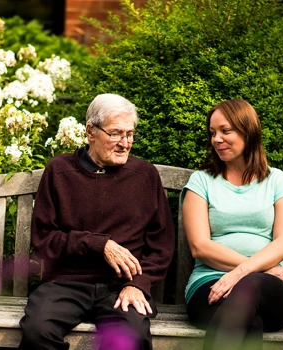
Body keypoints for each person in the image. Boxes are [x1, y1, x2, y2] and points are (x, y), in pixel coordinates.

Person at [18, 93, 175, 350]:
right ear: (91, 132)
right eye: (115, 134)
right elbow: (44, 240)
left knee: (130, 339)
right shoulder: (59, 171)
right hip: (65, 284)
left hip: (121, 287)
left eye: (130, 134)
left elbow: (161, 246)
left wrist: (138, 284)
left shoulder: (144, 175)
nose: (125, 143)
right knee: (38, 332)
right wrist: (97, 244)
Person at [182, 99, 283, 350]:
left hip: (269, 290)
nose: (216, 139)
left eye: (225, 131)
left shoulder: (277, 181)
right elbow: (200, 247)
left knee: (249, 285)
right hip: (210, 284)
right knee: (251, 325)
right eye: (212, 133)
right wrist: (260, 268)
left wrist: (242, 273)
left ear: (248, 131)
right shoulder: (201, 182)